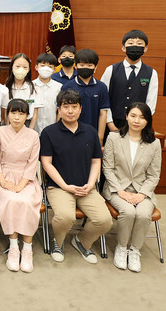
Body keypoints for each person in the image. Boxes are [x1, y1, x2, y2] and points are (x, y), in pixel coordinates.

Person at [41, 89, 112, 264]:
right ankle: (58, 243)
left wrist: (91, 184)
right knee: (66, 217)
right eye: (66, 107)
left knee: (104, 220)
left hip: (86, 188)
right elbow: (46, 163)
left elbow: (96, 161)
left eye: (74, 107)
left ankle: (82, 241)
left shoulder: (90, 132)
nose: (70, 111)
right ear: (59, 109)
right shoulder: (49, 132)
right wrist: (65, 186)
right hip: (59, 188)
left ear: (81, 108)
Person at [102, 102, 161, 273]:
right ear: (126, 116)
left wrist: (142, 194)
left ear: (147, 121)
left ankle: (134, 250)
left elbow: (154, 175)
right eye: (133, 116)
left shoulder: (154, 143)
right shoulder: (113, 138)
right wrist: (120, 191)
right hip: (116, 188)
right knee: (128, 212)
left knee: (143, 214)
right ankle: (121, 248)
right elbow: (108, 168)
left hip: (142, 190)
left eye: (142, 117)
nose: (137, 121)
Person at [0, 99, 42, 273]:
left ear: (27, 116)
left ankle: (27, 249)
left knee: (27, 202)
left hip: (26, 178)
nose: (17, 117)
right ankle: (14, 247)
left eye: (21, 114)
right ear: (7, 114)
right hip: (3, 176)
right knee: (11, 200)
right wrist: (3, 181)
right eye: (13, 113)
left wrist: (21, 185)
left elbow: (32, 163)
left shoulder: (33, 135)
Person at [100, 30, 159, 131]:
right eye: (131, 43)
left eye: (139, 44)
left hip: (138, 125)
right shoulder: (111, 70)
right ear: (123, 47)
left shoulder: (152, 73)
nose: (135, 46)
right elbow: (103, 98)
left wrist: (140, 121)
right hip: (112, 123)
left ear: (145, 48)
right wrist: (110, 123)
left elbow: (151, 103)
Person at [61, 49, 110, 147]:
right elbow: (63, 112)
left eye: (90, 65)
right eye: (82, 65)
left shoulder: (101, 87)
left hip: (93, 135)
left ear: (95, 67)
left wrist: (100, 138)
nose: (85, 68)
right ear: (76, 66)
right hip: (71, 135)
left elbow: (103, 114)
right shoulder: (67, 87)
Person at [5, 53, 40, 129]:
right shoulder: (5, 88)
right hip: (10, 125)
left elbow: (35, 114)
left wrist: (29, 130)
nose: (21, 69)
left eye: (25, 67)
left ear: (29, 69)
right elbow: (5, 112)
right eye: (17, 66)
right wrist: (8, 129)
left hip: (28, 124)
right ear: (12, 67)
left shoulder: (35, 88)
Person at [33, 52, 62, 134]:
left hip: (53, 130)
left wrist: (57, 128)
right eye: (42, 66)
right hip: (34, 130)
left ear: (54, 69)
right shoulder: (30, 86)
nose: (46, 69)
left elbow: (60, 110)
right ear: (36, 67)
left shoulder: (59, 87)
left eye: (50, 67)